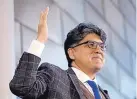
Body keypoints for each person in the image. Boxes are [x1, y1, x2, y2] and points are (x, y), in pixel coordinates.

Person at [9, 7, 110, 99]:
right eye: (91, 44)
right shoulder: (54, 75)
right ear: (72, 52)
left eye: (102, 46)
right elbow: (22, 87)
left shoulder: (104, 95)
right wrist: (40, 40)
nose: (98, 50)